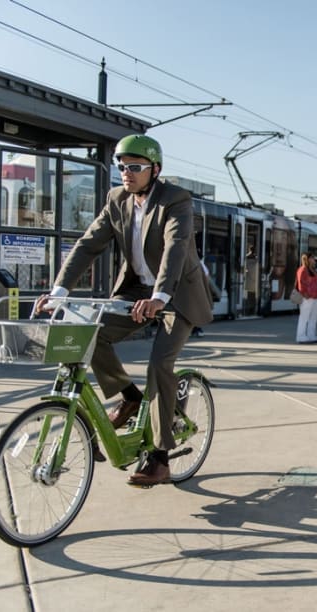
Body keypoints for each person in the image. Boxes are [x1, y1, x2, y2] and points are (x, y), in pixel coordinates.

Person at [37, 134, 213, 487]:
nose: (126, 174)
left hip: (176, 296)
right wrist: (58, 291)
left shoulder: (176, 200)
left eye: (135, 167)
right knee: (92, 336)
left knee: (159, 364)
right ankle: (131, 399)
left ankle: (160, 457)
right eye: (122, 167)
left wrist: (161, 295)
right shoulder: (116, 199)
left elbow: (175, 248)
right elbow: (88, 245)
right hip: (135, 294)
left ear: (155, 169)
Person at [294, 252, 317, 343]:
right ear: (308, 259)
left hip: (315, 296)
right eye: (313, 258)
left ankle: (311, 335)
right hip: (307, 297)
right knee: (304, 317)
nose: (314, 260)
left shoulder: (312, 270)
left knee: (313, 317)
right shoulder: (302, 270)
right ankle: (300, 336)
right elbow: (300, 283)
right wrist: (304, 294)